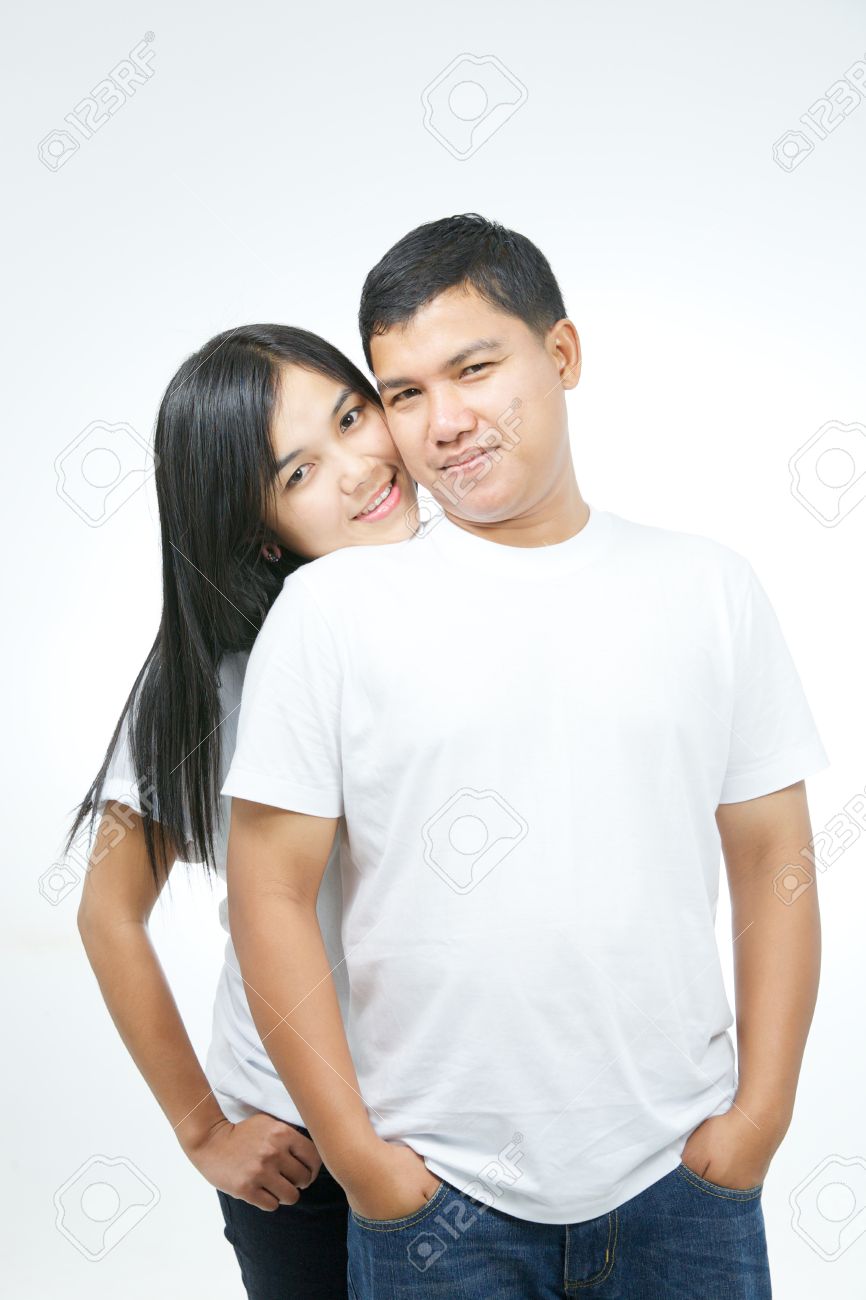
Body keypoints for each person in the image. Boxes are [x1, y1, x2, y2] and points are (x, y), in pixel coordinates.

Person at [223, 215, 830, 1299]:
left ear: (559, 356)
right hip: (434, 1201)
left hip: (677, 1181)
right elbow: (268, 892)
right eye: (403, 392)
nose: (443, 422)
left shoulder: (706, 587)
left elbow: (775, 858)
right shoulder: (332, 612)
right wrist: (362, 1162)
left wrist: (759, 1119)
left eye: (473, 368)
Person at [69, 323, 419, 1300]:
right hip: (296, 1149)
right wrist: (202, 1130)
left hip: (472, 1126)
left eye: (353, 417)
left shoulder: (481, 601)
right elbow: (106, 912)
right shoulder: (225, 684)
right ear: (261, 528)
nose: (357, 468)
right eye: (301, 470)